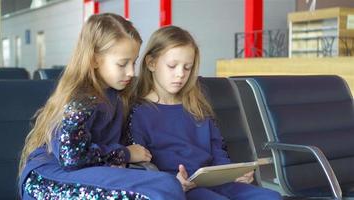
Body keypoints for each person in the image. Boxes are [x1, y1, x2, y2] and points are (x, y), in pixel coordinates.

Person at [18, 14, 185, 200]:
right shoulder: (81, 98)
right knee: (164, 188)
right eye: (122, 64)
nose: (131, 71)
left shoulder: (117, 93)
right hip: (50, 181)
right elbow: (72, 157)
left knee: (167, 184)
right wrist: (125, 154)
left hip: (85, 173)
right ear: (95, 60)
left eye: (134, 62)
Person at [129, 25, 282, 200]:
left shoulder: (196, 105)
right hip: (181, 188)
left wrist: (233, 174)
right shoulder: (139, 112)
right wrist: (171, 183)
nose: (180, 74)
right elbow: (141, 167)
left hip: (216, 182)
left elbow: (217, 149)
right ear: (151, 63)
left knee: (272, 197)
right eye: (172, 66)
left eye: (187, 67)